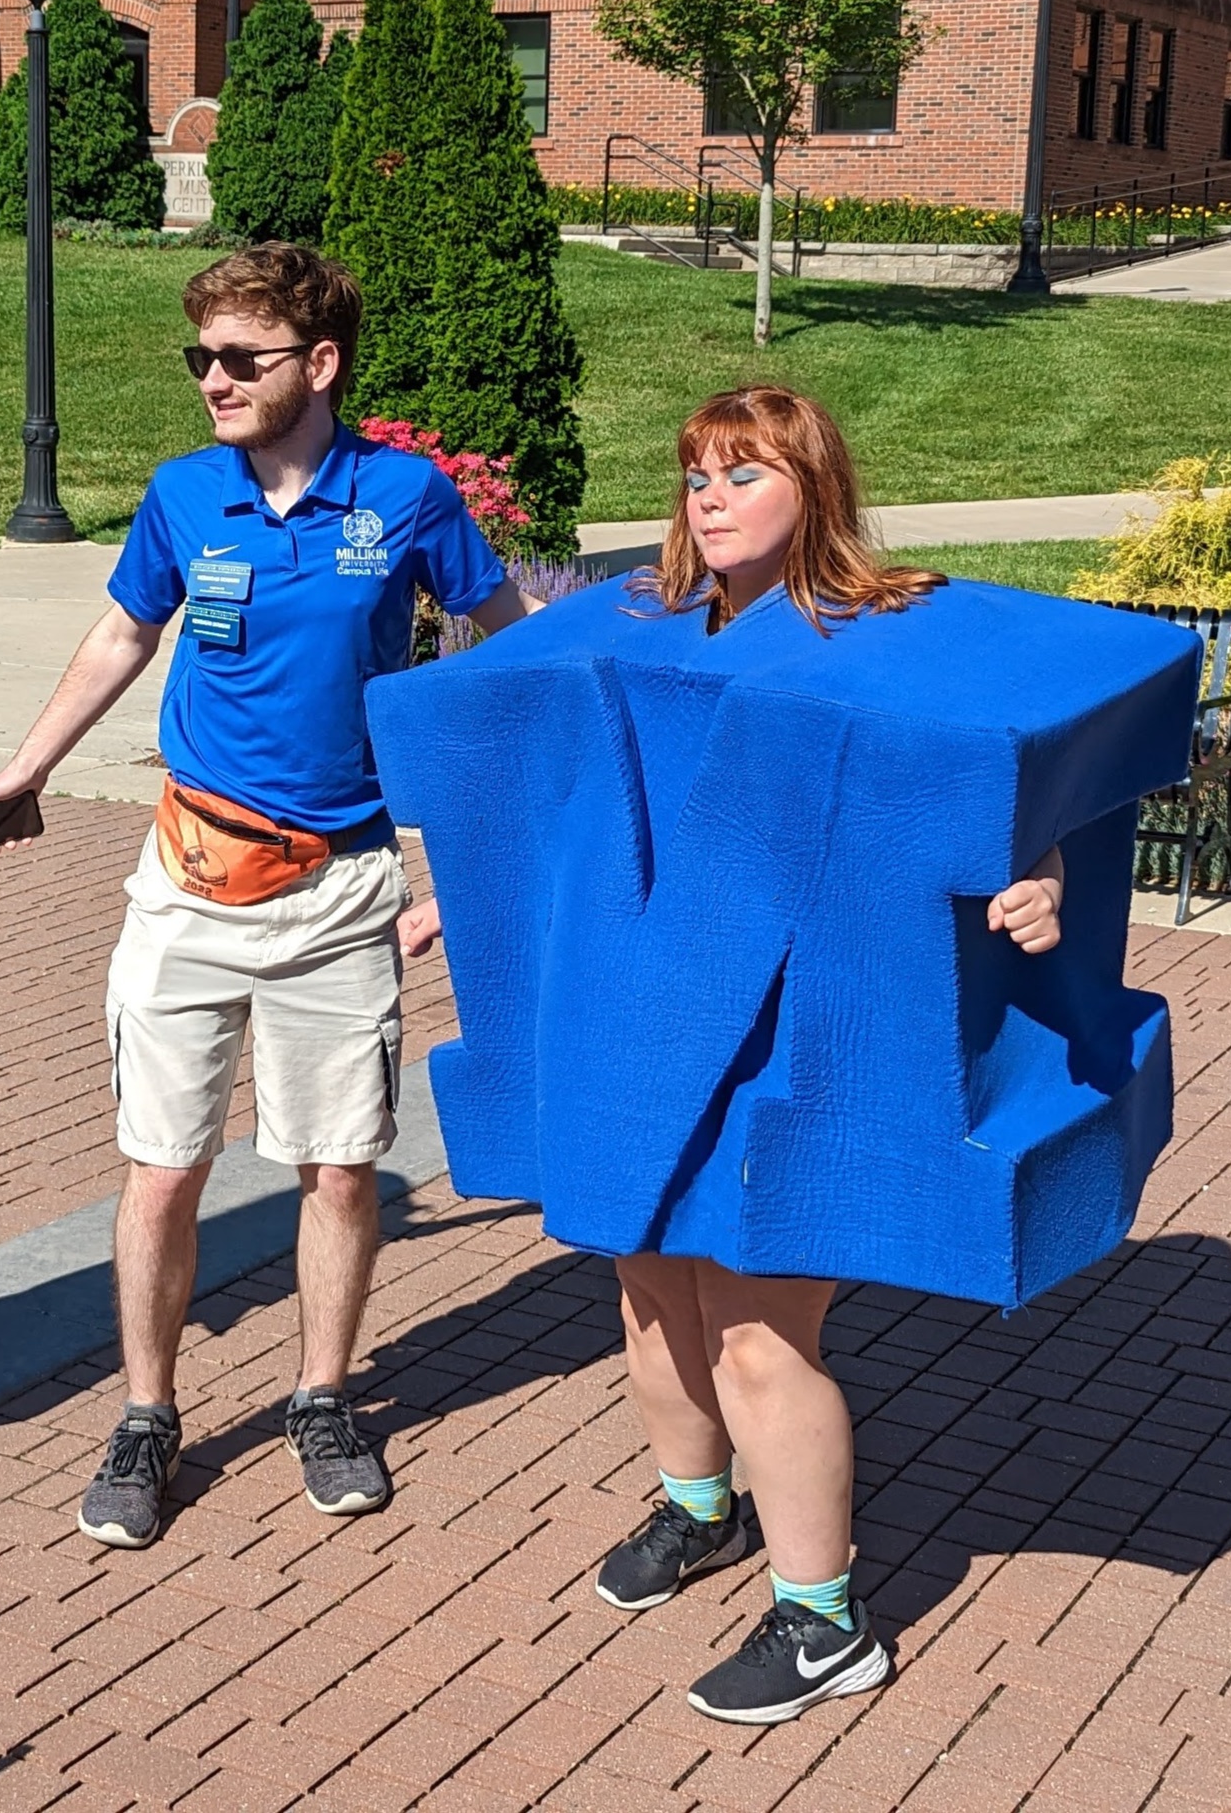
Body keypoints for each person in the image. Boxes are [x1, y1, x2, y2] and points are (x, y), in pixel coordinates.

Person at [402, 384, 1066, 1724]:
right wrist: (465, 894)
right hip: (646, 1021)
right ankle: (701, 1509)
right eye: (698, 473)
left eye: (746, 473)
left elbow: (1003, 765)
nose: (711, 498)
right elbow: (556, 781)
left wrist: (1037, 870)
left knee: (760, 1329)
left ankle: (828, 1619)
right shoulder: (635, 623)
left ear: (814, 487)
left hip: (802, 1032)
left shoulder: (892, 633)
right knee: (651, 1293)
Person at [0, 243, 534, 1549]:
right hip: (188, 883)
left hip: (341, 892)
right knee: (164, 1170)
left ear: (319, 365)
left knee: (339, 1169)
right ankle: (148, 1414)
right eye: (198, 356)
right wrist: (24, 767)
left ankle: (322, 1399)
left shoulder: (407, 497)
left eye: (239, 357)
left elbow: (509, 640)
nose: (210, 378)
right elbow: (121, 634)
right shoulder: (181, 498)